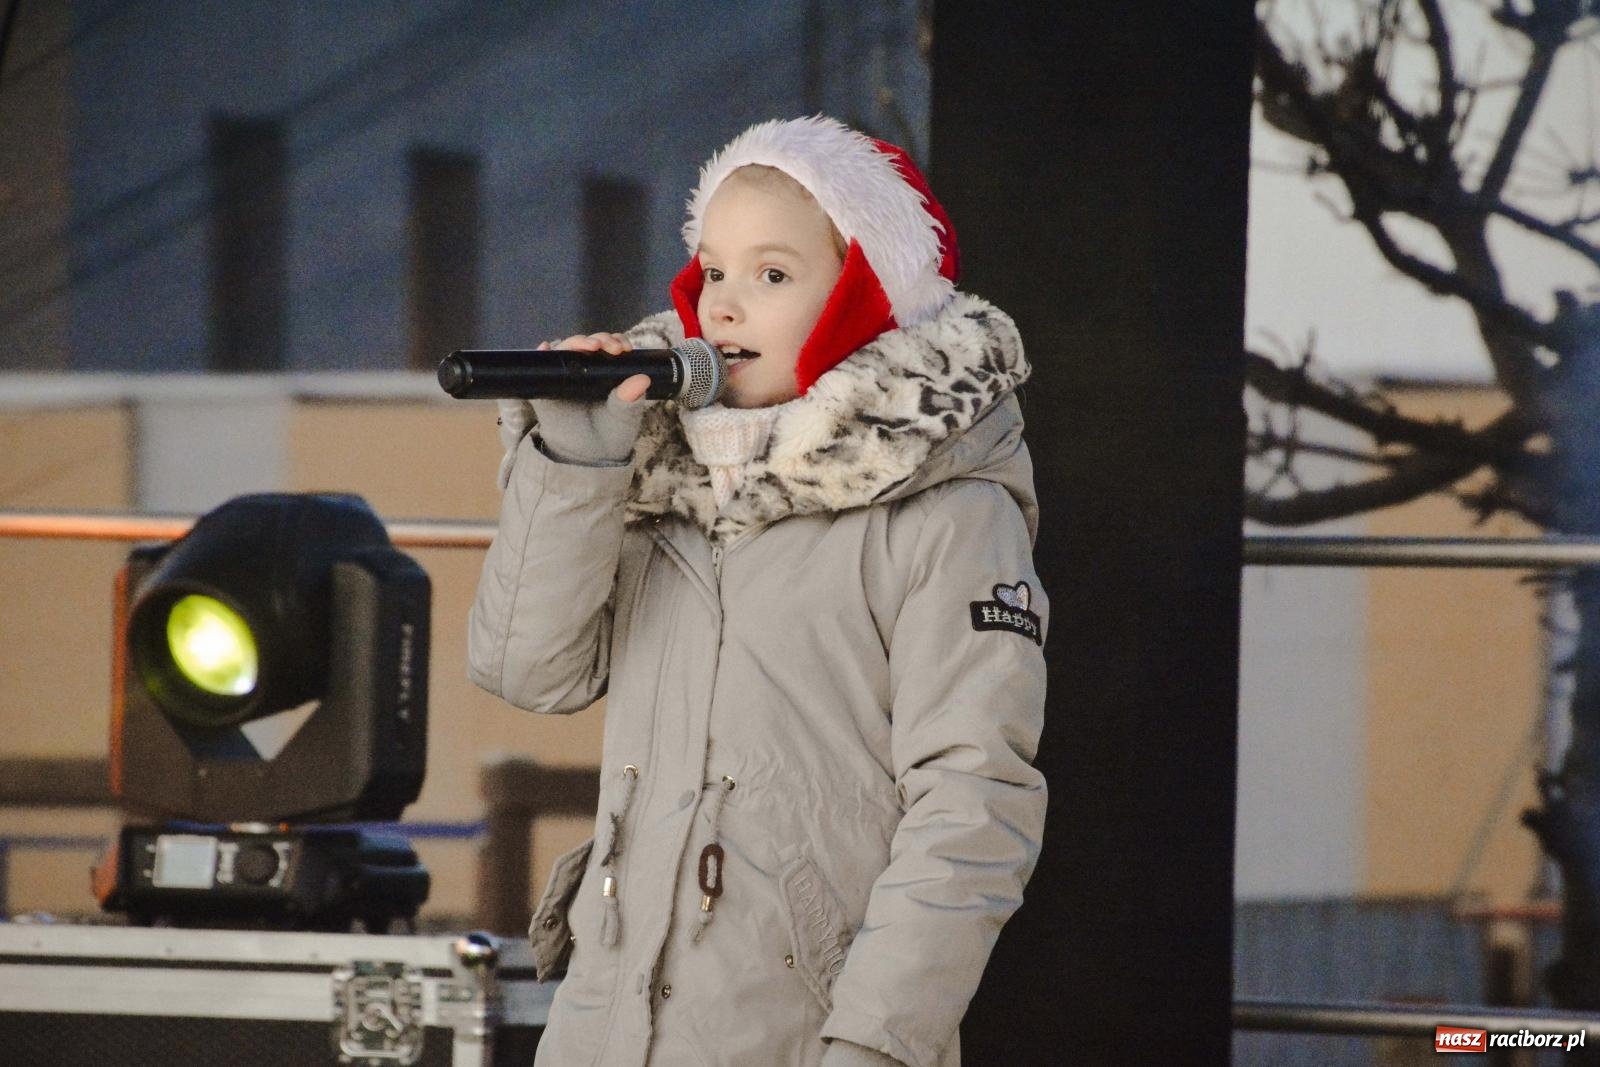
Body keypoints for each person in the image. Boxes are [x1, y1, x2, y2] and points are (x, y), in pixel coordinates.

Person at [468, 116, 1047, 1067]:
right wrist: (577, 459)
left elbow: (974, 801)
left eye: (773, 276)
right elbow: (527, 668)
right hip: (605, 1029)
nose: (727, 305)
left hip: (798, 1035)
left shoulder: (947, 512)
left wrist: (875, 1042)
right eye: (714, 272)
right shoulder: (660, 477)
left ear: (864, 293)